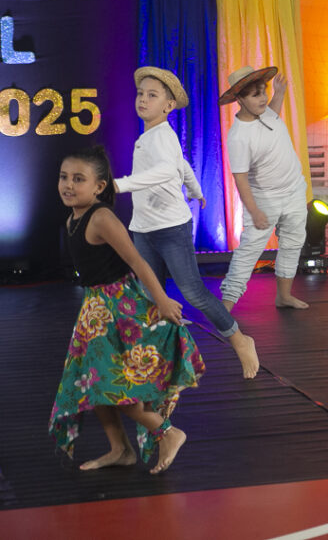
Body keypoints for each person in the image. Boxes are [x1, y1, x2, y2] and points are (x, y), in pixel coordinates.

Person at [50, 146, 205, 474]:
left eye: (78, 179)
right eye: (64, 177)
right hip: (95, 309)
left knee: (110, 384)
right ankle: (120, 449)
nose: (68, 185)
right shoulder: (72, 219)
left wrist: (161, 300)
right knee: (91, 381)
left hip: (120, 308)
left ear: (99, 186)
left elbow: (137, 261)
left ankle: (168, 432)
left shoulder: (101, 218)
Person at [114, 67, 259, 379]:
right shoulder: (150, 136)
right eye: (141, 93)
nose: (143, 99)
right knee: (151, 294)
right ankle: (158, 359)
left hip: (170, 229)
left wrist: (121, 184)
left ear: (168, 105)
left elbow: (168, 170)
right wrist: (195, 190)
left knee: (192, 291)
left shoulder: (162, 136)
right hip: (143, 228)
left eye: (152, 95)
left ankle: (239, 339)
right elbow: (180, 164)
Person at [219, 66, 308, 313]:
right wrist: (254, 210)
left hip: (294, 190)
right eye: (255, 94)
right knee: (249, 251)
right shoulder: (239, 137)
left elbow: (272, 117)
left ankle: (284, 296)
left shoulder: (265, 113)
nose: (262, 98)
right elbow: (240, 179)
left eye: (263, 92)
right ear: (239, 99)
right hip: (265, 199)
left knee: (292, 243)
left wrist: (278, 94)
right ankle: (225, 308)